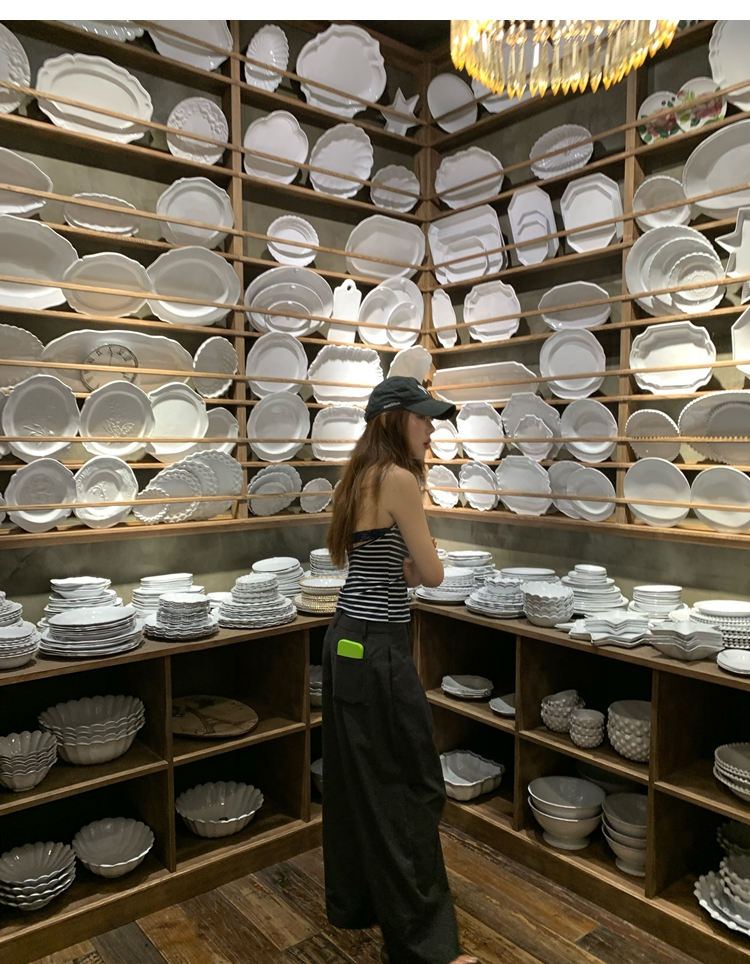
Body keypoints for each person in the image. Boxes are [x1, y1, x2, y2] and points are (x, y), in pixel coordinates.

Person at [322, 376, 479, 964]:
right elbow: (431, 574)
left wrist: (410, 565)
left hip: (346, 641)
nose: (431, 429)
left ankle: (363, 905)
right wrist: (419, 561)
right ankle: (427, 951)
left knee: (361, 785)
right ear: (393, 420)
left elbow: (383, 567)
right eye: (423, 417)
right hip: (378, 649)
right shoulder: (400, 479)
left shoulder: (358, 477)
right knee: (412, 789)